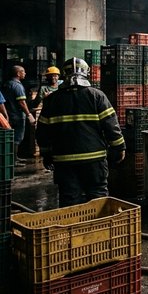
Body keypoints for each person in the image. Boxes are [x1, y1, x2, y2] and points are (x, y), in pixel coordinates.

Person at [36, 57, 126, 207]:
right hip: (94, 159)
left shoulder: (52, 100)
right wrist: (119, 148)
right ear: (86, 73)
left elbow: (42, 132)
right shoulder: (97, 96)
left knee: (69, 200)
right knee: (97, 196)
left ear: (64, 74)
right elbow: (111, 125)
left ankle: (73, 222)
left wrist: (46, 154)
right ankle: (99, 222)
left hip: (63, 161)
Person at [1, 65, 35, 166]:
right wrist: (29, 115)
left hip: (8, 114)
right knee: (17, 138)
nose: (25, 73)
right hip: (17, 115)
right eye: (23, 71)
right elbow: (22, 102)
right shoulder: (17, 86)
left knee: (10, 137)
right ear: (18, 73)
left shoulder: (7, 84)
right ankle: (14, 160)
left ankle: (14, 157)